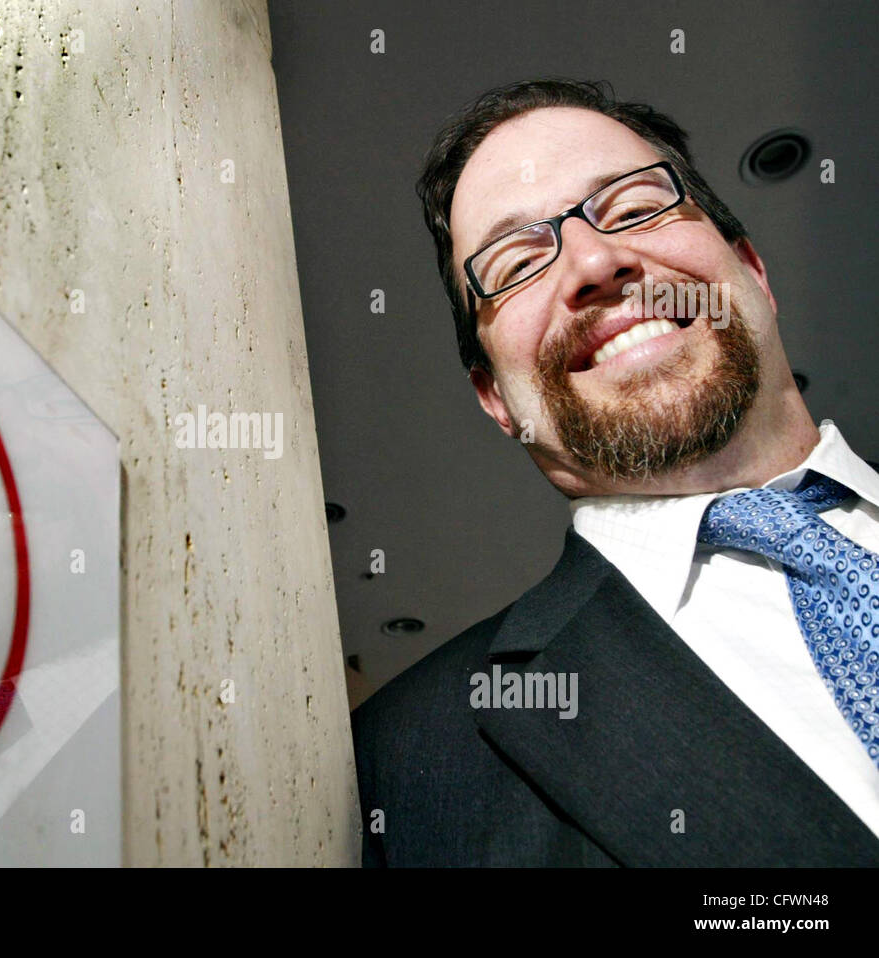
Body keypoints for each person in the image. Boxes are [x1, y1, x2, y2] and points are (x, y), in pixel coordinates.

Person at [351, 78, 879, 866]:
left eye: (634, 209)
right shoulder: (403, 766)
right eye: (518, 260)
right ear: (495, 397)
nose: (595, 261)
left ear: (752, 273)